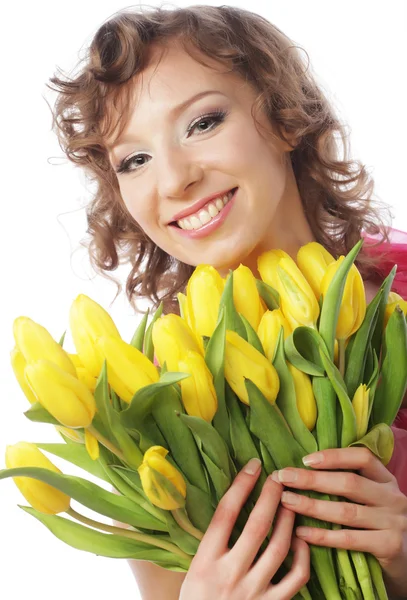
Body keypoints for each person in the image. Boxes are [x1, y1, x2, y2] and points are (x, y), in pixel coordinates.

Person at [47, 5, 407, 598]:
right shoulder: (142, 404)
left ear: (286, 117)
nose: (173, 180)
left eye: (202, 122)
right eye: (134, 160)